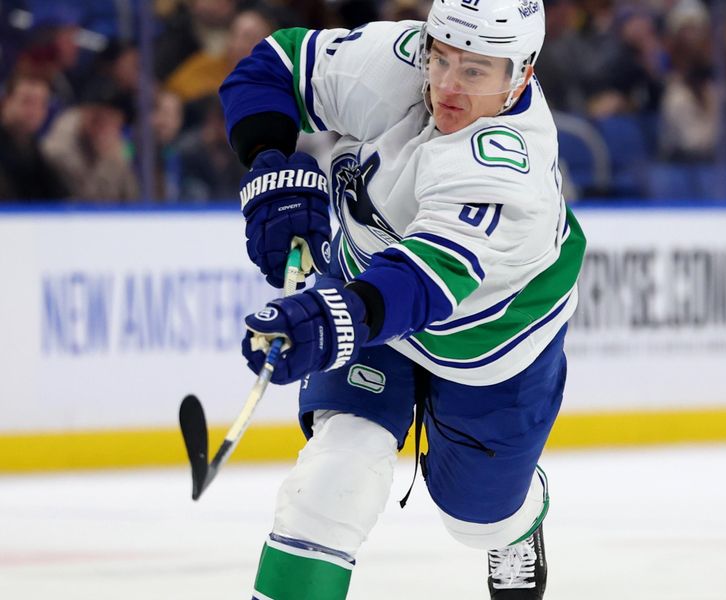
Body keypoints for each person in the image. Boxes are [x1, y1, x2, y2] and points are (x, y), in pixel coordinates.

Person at [219, 1, 586, 598]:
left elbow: (420, 283)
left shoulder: (509, 170)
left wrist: (328, 319)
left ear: (522, 72)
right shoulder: (394, 60)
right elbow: (272, 67)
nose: (446, 86)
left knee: (477, 519)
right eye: (440, 58)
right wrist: (271, 165)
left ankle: (515, 522)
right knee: (338, 473)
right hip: (369, 289)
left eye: (474, 71)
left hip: (489, 340)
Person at [0, 72, 68, 200]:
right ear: (4, 103)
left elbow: (60, 196)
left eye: (41, 103)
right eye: (27, 102)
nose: (34, 111)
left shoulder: (33, 149)